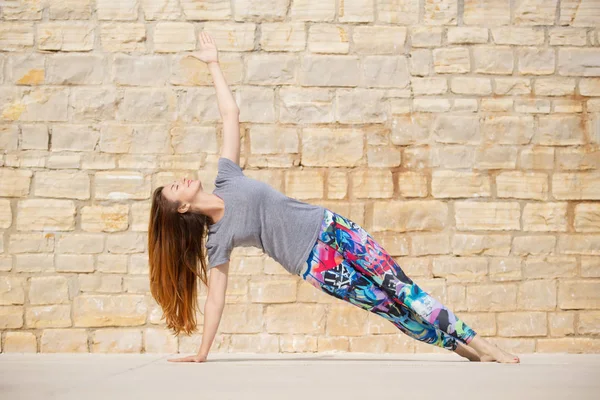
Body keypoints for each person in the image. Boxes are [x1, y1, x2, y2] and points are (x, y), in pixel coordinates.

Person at [148, 32, 520, 364]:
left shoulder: (227, 177)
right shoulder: (218, 240)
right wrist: (202, 353)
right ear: (182, 208)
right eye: (175, 188)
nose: (181, 180)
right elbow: (216, 300)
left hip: (332, 227)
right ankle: (462, 349)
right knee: (392, 310)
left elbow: (230, 113)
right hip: (317, 266)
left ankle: (483, 343)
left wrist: (214, 64)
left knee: (402, 288)